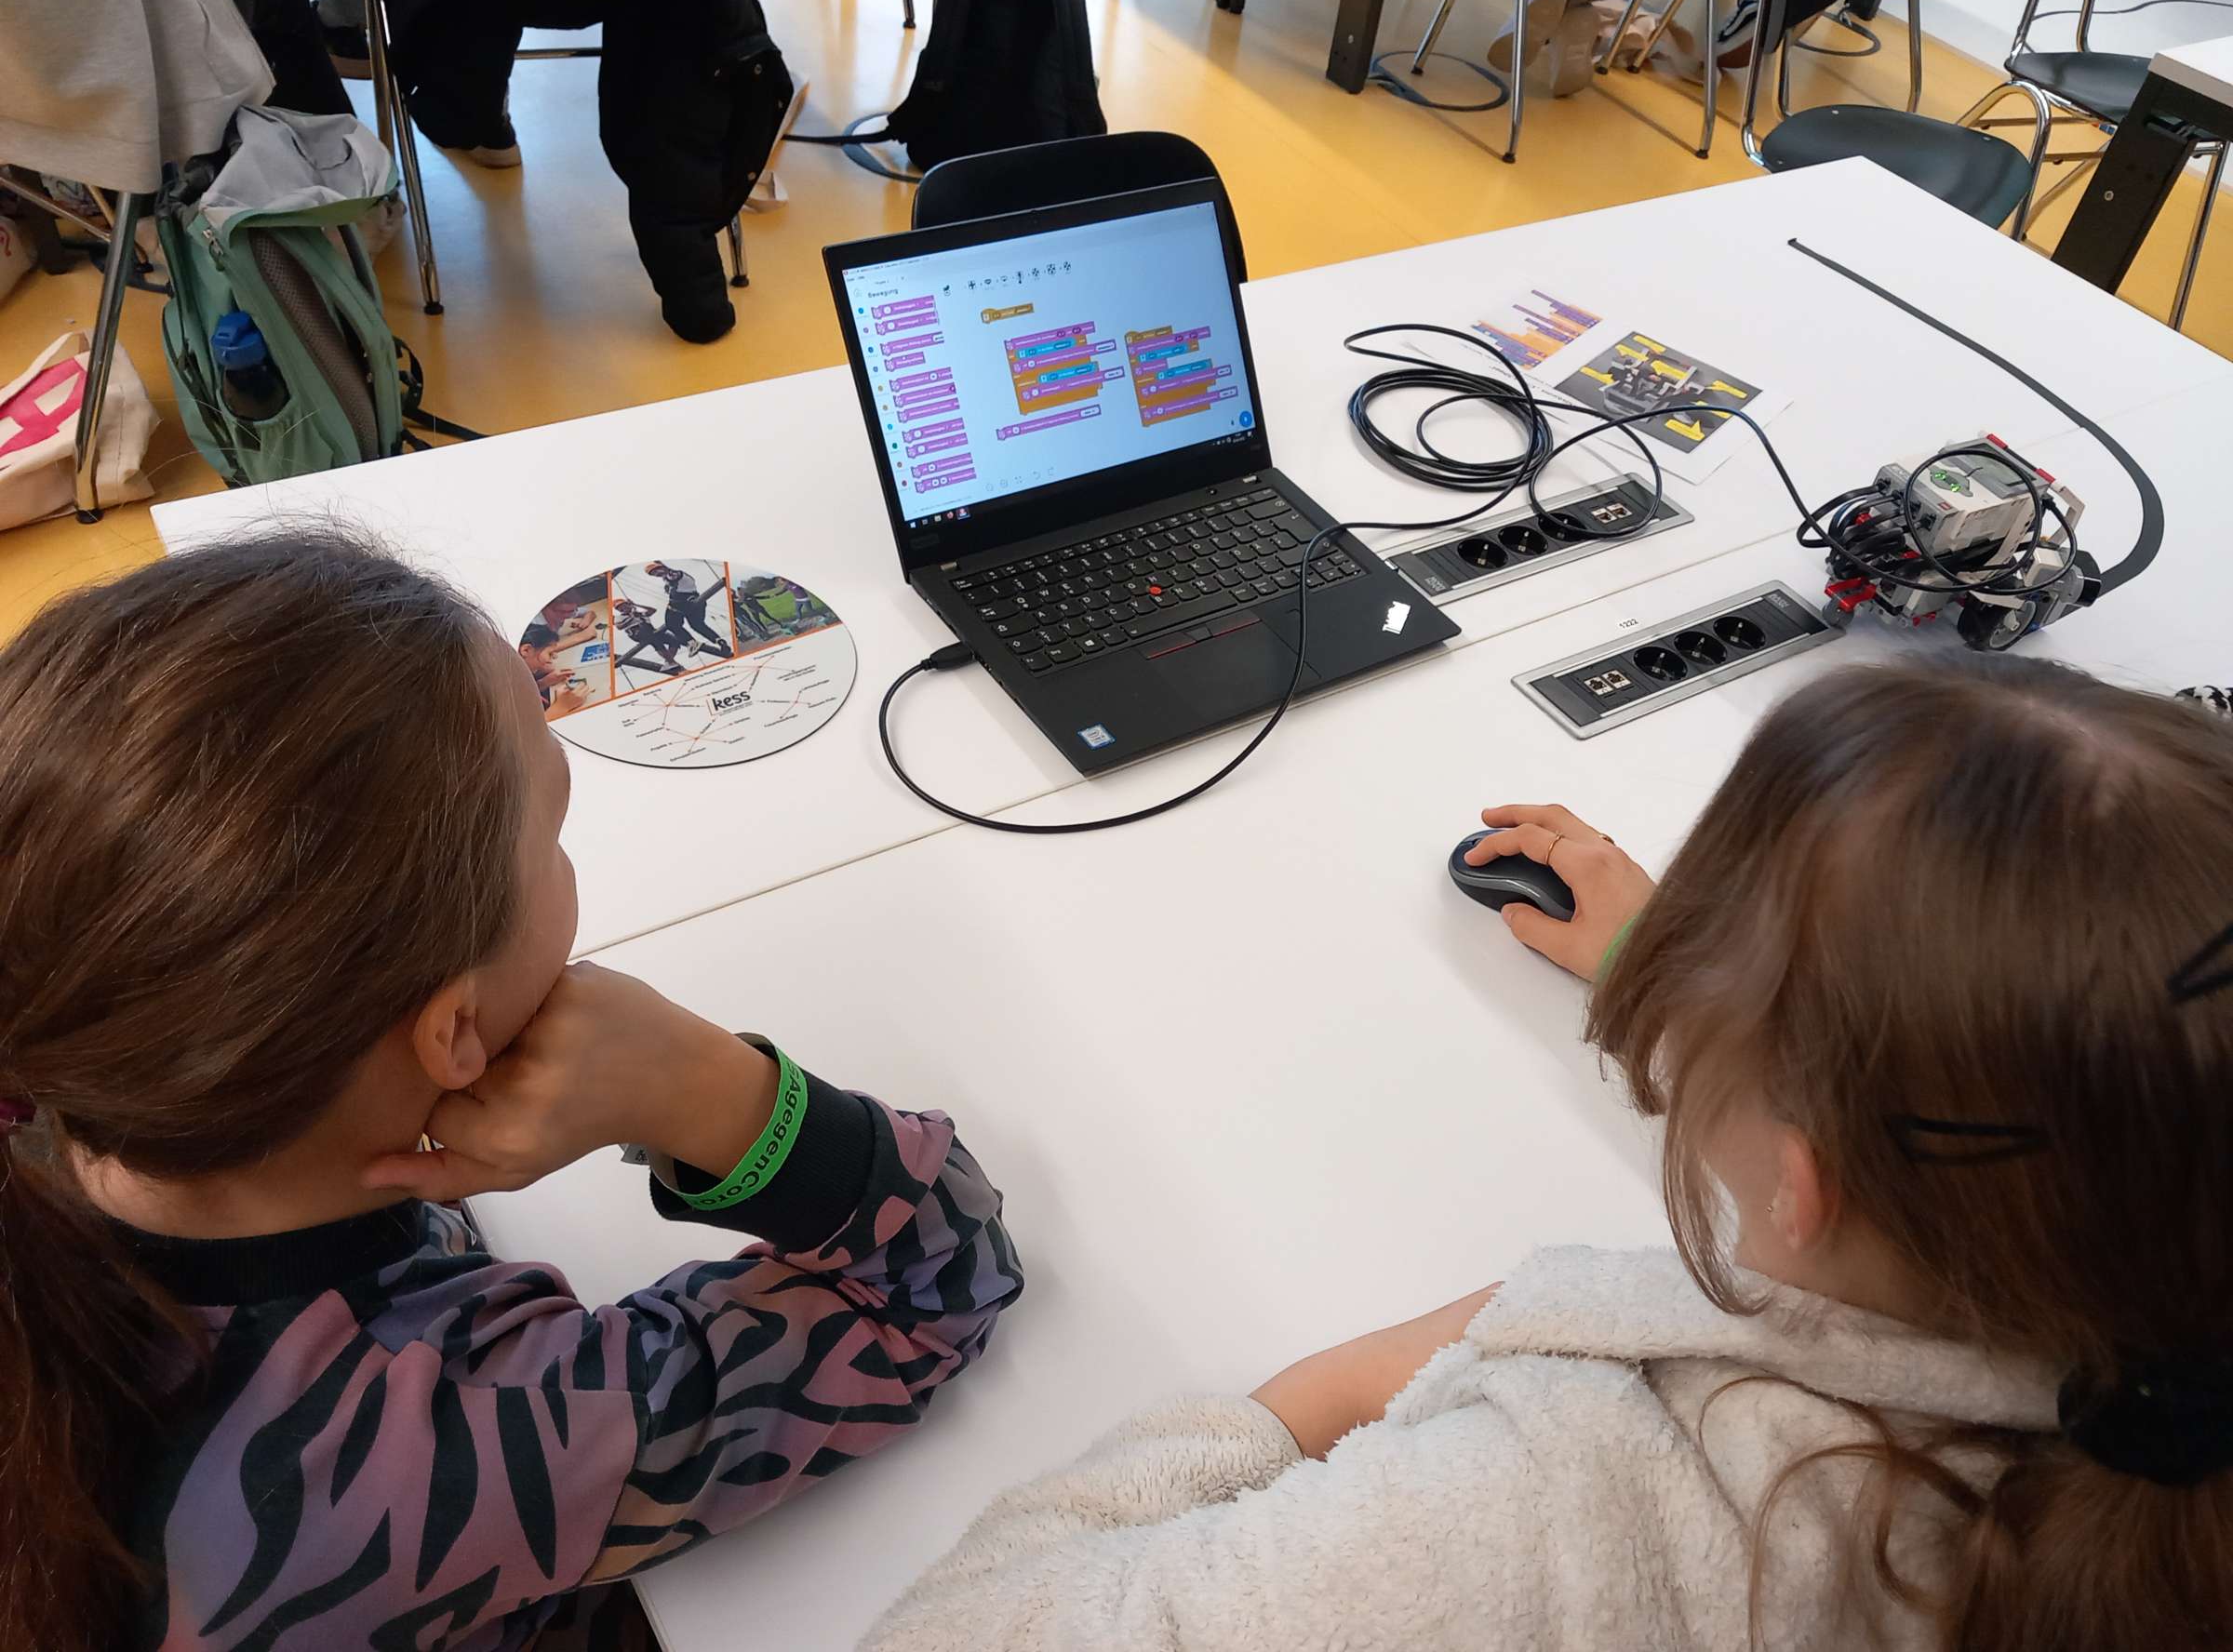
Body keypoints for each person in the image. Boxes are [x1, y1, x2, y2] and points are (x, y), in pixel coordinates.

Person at [863, 655, 2233, 1652]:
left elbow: (963, 1630)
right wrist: (1682, 984)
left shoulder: (1576, 1517)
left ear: (1802, 1180)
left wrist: (1333, 1392)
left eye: (1728, 953)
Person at [0, 531, 1024, 1652]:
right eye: (556, 829)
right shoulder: (454, 1442)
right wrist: (696, 1084)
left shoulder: (53, 1082)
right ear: (451, 1030)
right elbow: (938, 1285)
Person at [644, 561, 734, 660]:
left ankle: (691, 642)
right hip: (696, 602)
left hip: (684, 603)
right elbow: (667, 574)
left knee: (671, 623)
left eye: (656, 571)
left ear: (662, 567)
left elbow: (671, 574)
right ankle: (720, 641)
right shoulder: (668, 576)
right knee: (697, 625)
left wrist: (664, 570)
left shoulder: (672, 574)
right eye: (654, 574)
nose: (656, 574)